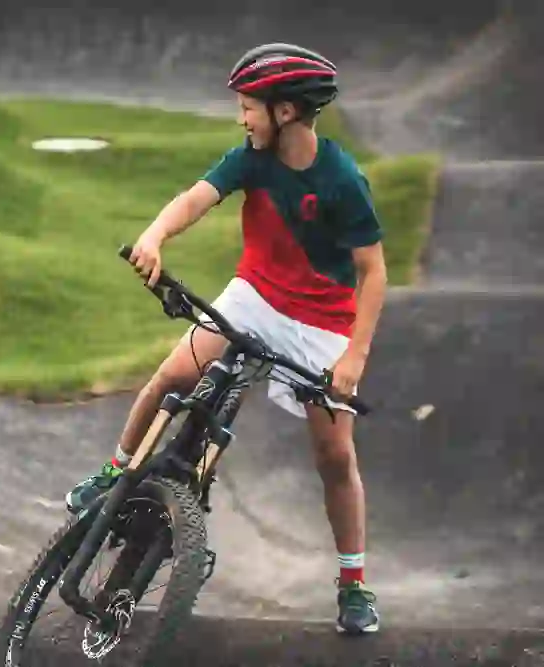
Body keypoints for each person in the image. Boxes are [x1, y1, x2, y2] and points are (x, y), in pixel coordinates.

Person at [64, 43, 387, 635]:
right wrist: (155, 236)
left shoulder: (340, 178)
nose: (242, 118)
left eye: (248, 106)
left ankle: (354, 584)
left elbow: (373, 271)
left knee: (336, 458)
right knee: (171, 376)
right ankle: (115, 472)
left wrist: (354, 356)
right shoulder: (251, 159)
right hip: (255, 297)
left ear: (285, 111)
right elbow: (195, 198)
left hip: (323, 325)